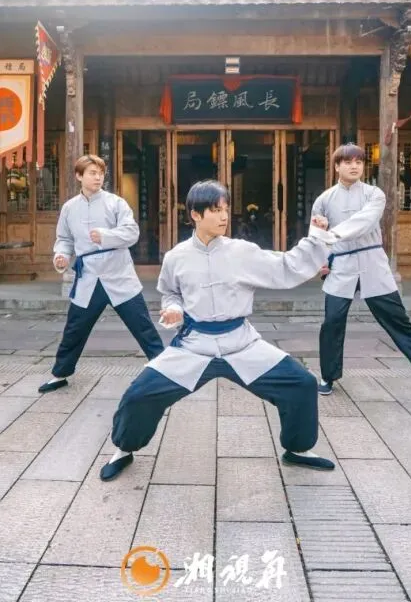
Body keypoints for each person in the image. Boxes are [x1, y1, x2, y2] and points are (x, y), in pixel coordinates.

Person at [100, 180, 342, 482]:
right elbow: (170, 293)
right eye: (215, 210)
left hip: (241, 343)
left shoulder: (242, 252)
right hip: (194, 346)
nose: (224, 216)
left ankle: (298, 448)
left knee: (301, 384)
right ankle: (124, 448)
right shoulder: (176, 257)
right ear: (195, 214)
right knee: (139, 394)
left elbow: (286, 267)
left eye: (225, 209)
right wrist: (173, 308)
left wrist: (316, 238)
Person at [313, 144, 411, 395]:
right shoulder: (324, 199)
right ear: (337, 166)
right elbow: (317, 235)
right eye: (348, 162)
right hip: (341, 264)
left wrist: (333, 233)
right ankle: (327, 376)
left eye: (358, 162)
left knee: (396, 317)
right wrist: (321, 258)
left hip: (372, 262)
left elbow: (365, 222)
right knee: (332, 322)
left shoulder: (374, 194)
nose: (354, 166)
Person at [38, 154, 165, 393]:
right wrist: (61, 256)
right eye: (92, 173)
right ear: (79, 176)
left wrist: (106, 236)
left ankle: (164, 368)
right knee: (75, 328)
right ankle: (60, 374)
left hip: (118, 274)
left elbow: (132, 233)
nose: (98, 178)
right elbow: (64, 239)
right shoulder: (69, 208)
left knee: (142, 325)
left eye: (101, 173)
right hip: (88, 277)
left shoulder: (116, 203)